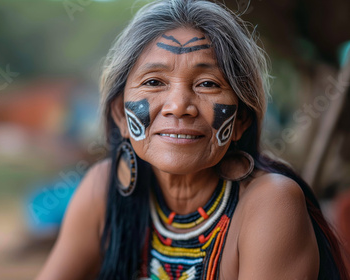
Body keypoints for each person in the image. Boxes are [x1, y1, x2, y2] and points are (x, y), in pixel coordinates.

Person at [36, 0, 349, 279]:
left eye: (207, 84)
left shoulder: (269, 204)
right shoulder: (104, 191)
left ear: (240, 119)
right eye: (154, 81)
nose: (178, 106)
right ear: (120, 114)